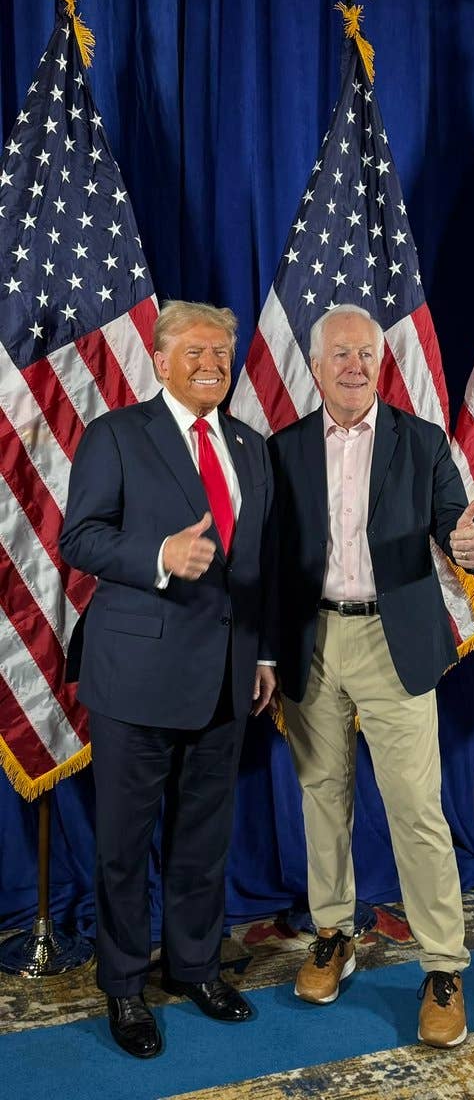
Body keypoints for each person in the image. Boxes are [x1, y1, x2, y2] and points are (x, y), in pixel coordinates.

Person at [267, 303, 474, 1050]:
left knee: (416, 809)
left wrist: (471, 544)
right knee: (322, 797)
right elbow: (267, 562)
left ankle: (444, 967)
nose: (354, 366)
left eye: (366, 353)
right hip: (313, 640)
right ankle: (334, 934)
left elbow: (459, 529)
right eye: (340, 355)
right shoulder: (284, 448)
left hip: (394, 644)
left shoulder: (421, 442)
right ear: (318, 366)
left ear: (381, 364)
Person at [60, 301, 277, 1058]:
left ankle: (193, 967)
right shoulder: (116, 435)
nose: (212, 360)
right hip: (136, 677)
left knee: (204, 838)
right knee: (125, 842)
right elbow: (79, 536)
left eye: (221, 349)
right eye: (195, 349)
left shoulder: (251, 447)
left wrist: (264, 655)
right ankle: (123, 986)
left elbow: (262, 567)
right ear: (159, 359)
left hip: (226, 679)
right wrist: (157, 556)